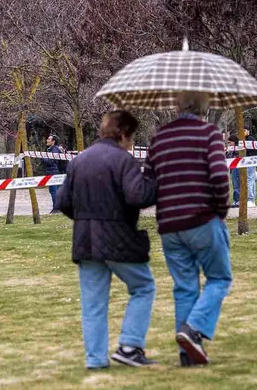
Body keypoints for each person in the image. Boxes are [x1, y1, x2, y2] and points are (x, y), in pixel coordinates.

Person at [57, 110, 158, 369]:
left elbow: (63, 202)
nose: (132, 142)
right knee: (143, 287)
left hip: (85, 238)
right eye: (132, 137)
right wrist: (151, 177)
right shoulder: (123, 160)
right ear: (123, 134)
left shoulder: (79, 160)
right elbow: (138, 196)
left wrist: (85, 218)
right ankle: (130, 345)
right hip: (117, 236)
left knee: (93, 303)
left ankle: (95, 359)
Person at [144, 92, 232, 367]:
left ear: (177, 106)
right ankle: (193, 328)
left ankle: (188, 355)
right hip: (203, 218)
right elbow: (219, 175)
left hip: (169, 225)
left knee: (184, 288)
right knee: (219, 278)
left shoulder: (158, 138)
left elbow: (148, 188)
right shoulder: (210, 134)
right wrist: (221, 209)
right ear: (204, 107)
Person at [42, 134, 63, 214]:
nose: (47, 140)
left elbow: (51, 162)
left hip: (53, 173)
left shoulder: (54, 150)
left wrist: (43, 158)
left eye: (49, 139)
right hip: (54, 172)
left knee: (53, 191)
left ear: (53, 142)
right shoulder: (51, 149)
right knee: (56, 191)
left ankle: (56, 208)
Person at [226, 135, 241, 207]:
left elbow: (235, 158)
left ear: (234, 142)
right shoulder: (231, 149)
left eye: (230, 142)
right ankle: (236, 200)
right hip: (233, 168)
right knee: (235, 185)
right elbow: (228, 157)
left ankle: (239, 200)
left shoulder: (238, 149)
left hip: (237, 167)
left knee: (237, 184)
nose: (229, 144)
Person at [244, 129, 257, 207]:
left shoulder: (250, 139)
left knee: (249, 180)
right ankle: (252, 199)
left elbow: (252, 151)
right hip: (246, 162)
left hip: (250, 161)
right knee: (251, 180)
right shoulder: (243, 139)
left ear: (248, 131)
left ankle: (251, 199)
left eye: (244, 130)